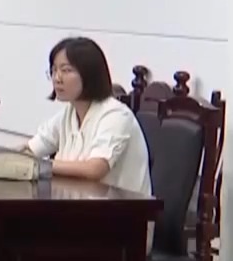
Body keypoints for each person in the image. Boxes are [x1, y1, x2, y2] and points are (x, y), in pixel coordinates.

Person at [26, 36, 152, 195]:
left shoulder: (116, 114)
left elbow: (95, 169)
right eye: (54, 70)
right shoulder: (68, 114)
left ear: (89, 74)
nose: (57, 78)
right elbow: (32, 149)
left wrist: (41, 166)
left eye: (66, 70)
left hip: (122, 207)